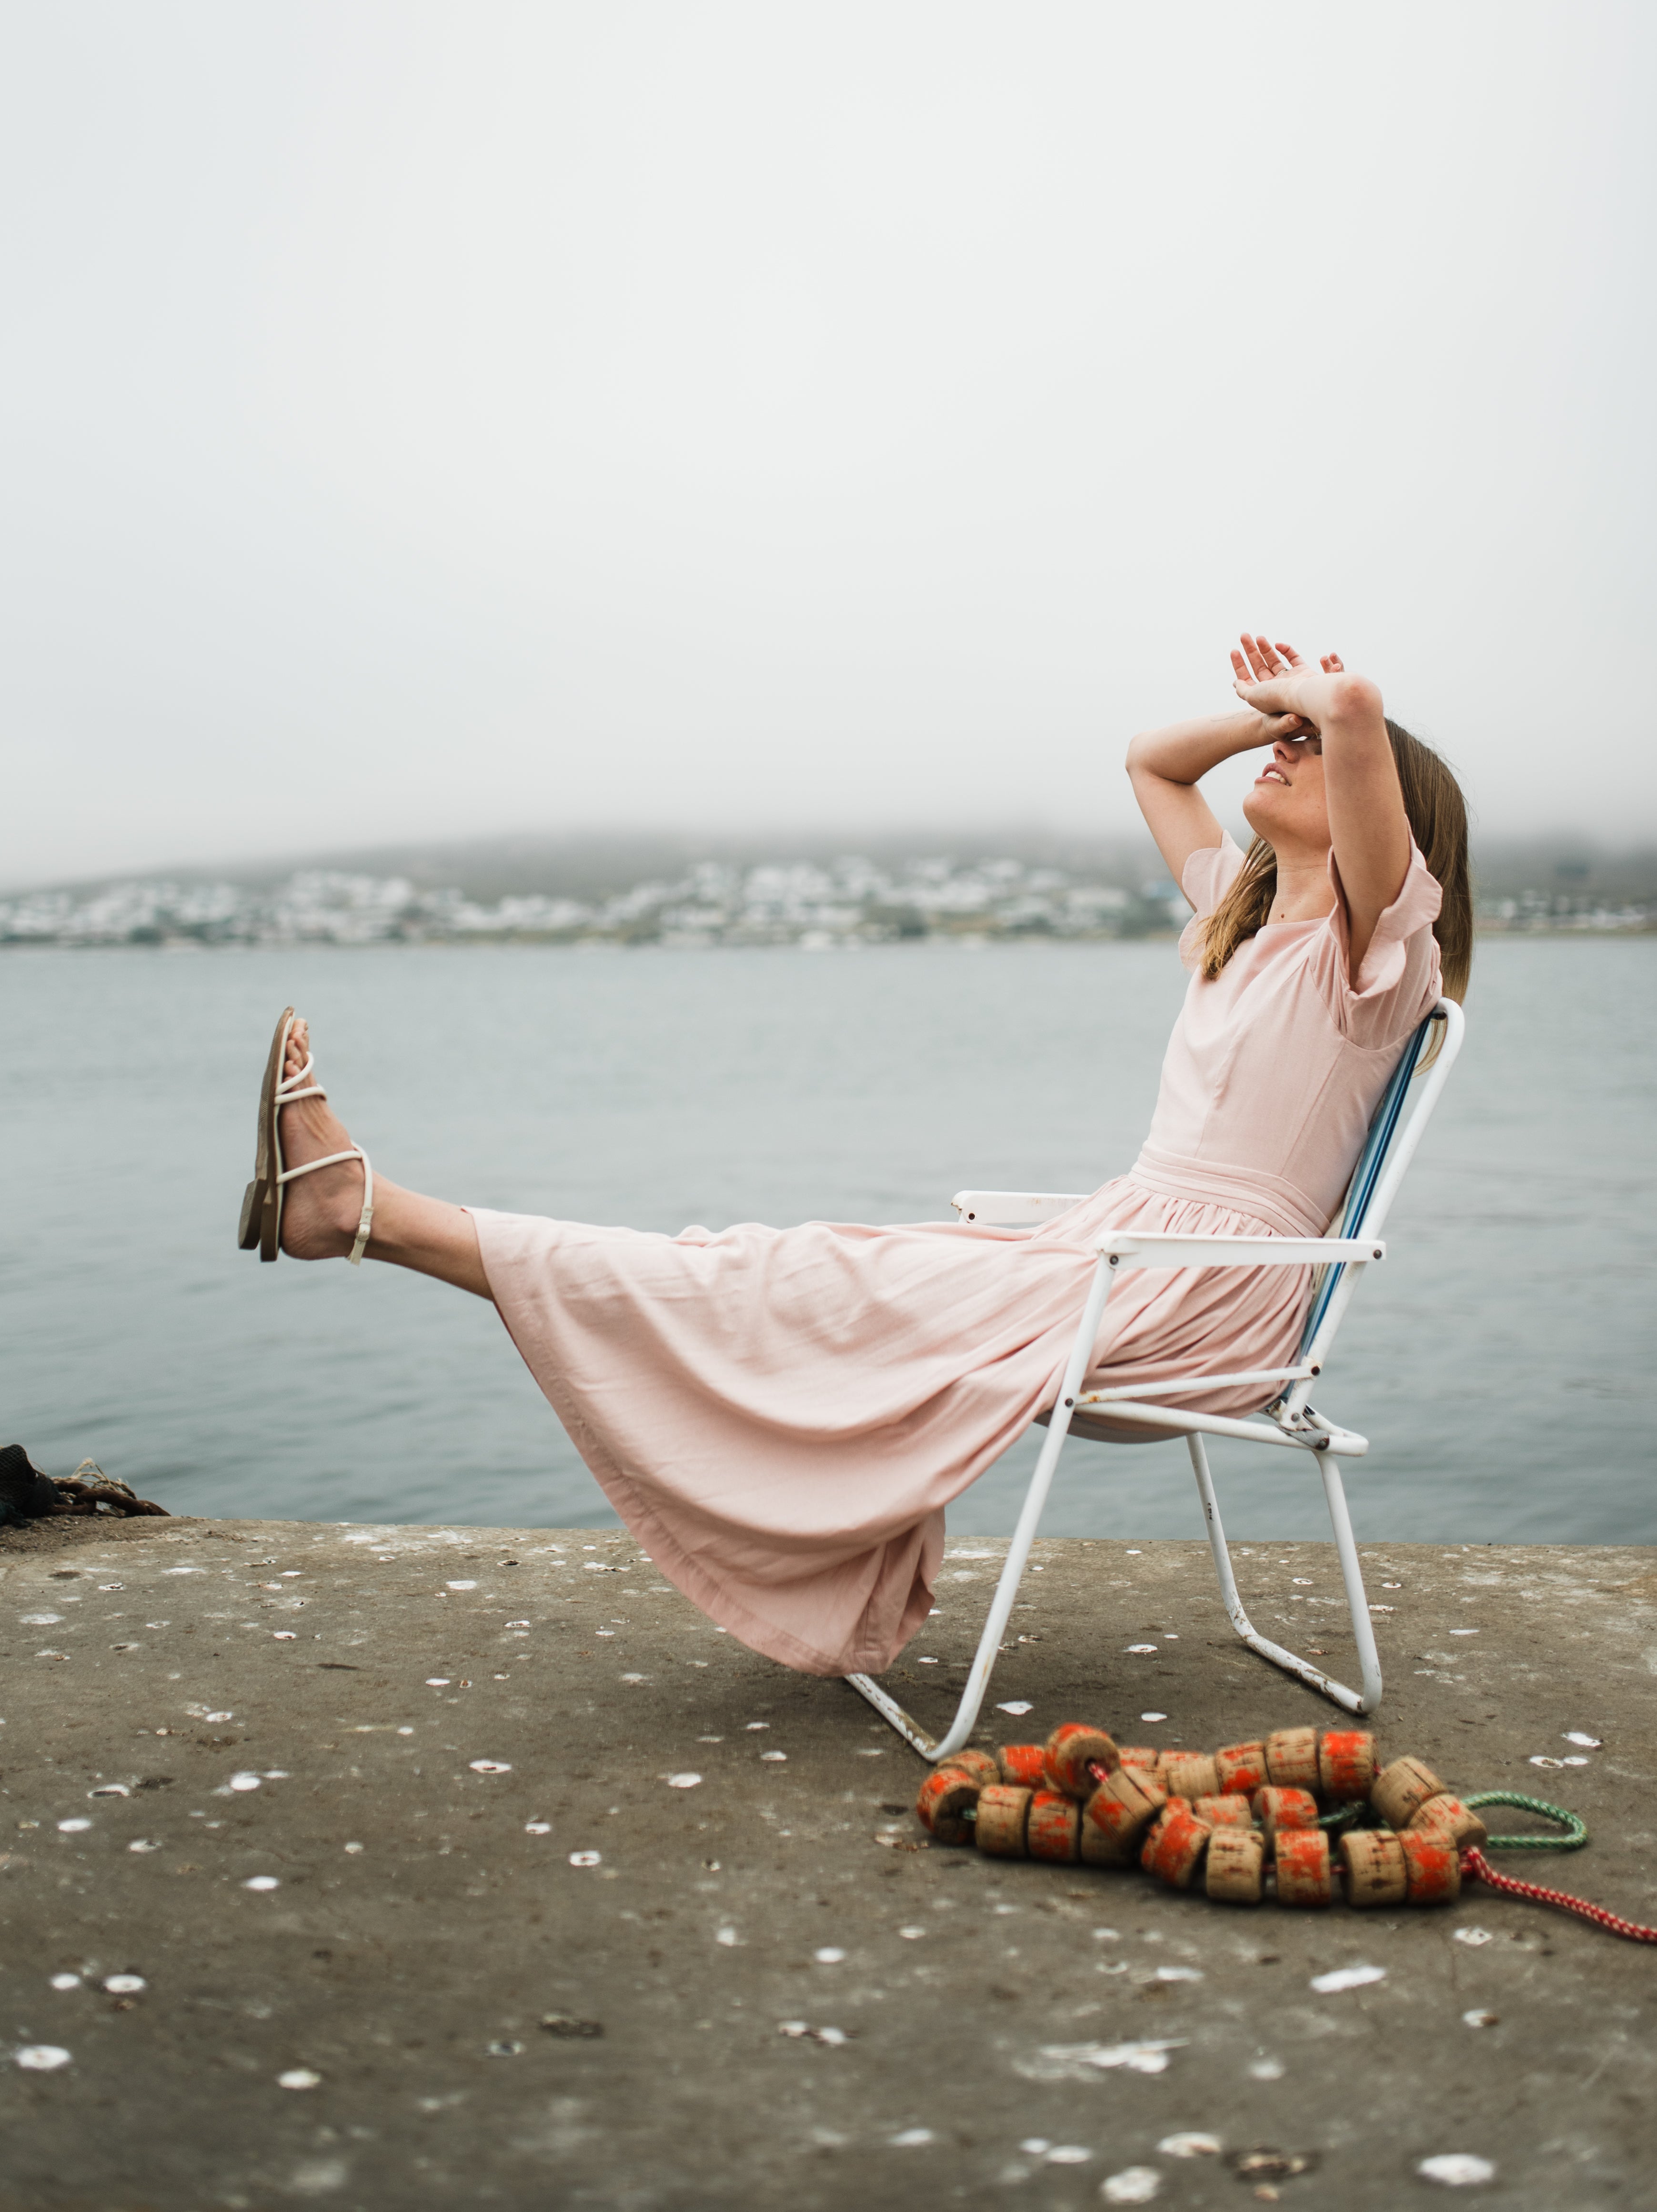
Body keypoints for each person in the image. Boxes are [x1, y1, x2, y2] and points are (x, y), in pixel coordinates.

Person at [237, 633, 1471, 1678]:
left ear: (1384, 811)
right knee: (774, 1265)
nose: (1277, 748)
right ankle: (359, 1212)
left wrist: (1323, 703)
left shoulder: (1372, 961)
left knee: (800, 1278)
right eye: (1277, 738)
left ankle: (364, 1212)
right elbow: (1152, 760)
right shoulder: (1234, 924)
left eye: (1303, 746)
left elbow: (1357, 705)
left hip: (1199, 1298)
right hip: (1118, 1250)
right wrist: (1269, 711)